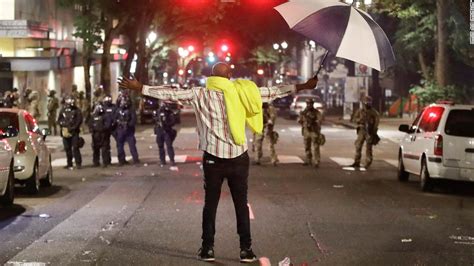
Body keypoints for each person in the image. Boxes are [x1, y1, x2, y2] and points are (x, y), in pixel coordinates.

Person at [119, 62, 318, 263]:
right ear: (229, 76)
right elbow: (273, 92)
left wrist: (140, 88)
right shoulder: (243, 92)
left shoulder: (201, 94)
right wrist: (303, 86)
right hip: (239, 158)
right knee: (241, 204)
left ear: (211, 78)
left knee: (210, 205)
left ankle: (207, 249)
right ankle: (246, 250)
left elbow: (172, 94)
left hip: (213, 159)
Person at [350, 96, 380, 168]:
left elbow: (376, 122)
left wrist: (373, 131)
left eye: (368, 102)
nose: (367, 104)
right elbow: (354, 119)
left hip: (370, 131)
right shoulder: (360, 111)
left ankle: (368, 162)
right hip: (361, 130)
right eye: (366, 102)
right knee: (358, 145)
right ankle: (357, 161)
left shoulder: (374, 112)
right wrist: (359, 120)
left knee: (368, 147)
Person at [58, 95, 83, 169]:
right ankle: (69, 163)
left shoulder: (76, 110)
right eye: (68, 100)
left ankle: (78, 163)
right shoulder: (63, 110)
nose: (70, 101)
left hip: (74, 132)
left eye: (71, 100)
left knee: (75, 147)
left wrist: (74, 127)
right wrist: (63, 125)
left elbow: (79, 120)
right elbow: (59, 120)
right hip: (65, 132)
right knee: (67, 148)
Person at [114, 94, 140, 166]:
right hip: (121, 129)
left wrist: (128, 124)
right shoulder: (118, 110)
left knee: (131, 145)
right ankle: (122, 160)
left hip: (128, 130)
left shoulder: (130, 110)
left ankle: (135, 159)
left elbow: (133, 119)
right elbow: (115, 119)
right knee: (121, 146)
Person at [298, 98, 324, 168]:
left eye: (310, 103)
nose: (309, 105)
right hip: (306, 131)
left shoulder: (316, 112)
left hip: (314, 131)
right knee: (307, 146)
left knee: (316, 146)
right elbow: (300, 120)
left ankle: (317, 161)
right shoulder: (304, 112)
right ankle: (308, 160)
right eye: (308, 103)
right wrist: (302, 119)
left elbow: (320, 119)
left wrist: (314, 122)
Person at [89, 101, 113, 167]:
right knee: (96, 149)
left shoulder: (105, 115)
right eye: (97, 106)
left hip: (103, 134)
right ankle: (96, 162)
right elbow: (90, 124)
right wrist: (92, 129)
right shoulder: (93, 116)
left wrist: (103, 128)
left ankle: (106, 162)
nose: (98, 108)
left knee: (105, 149)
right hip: (95, 134)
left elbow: (108, 124)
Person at [153, 101, 177, 167]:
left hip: (167, 131)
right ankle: (162, 160)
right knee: (160, 146)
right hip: (159, 131)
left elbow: (173, 121)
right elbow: (155, 120)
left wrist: (166, 125)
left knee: (169, 145)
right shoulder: (157, 111)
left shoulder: (169, 112)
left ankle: (172, 160)